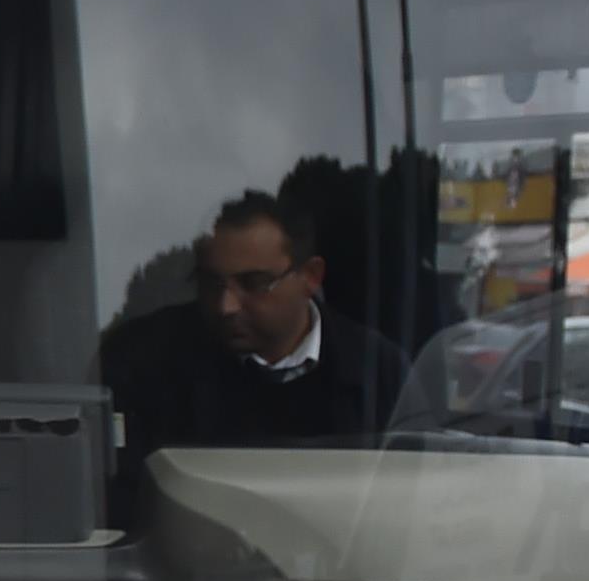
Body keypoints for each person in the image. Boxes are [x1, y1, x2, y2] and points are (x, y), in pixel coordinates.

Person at [99, 189, 402, 459]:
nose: (225, 306)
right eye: (211, 283)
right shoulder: (143, 362)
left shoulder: (380, 372)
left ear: (310, 276)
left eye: (253, 283)